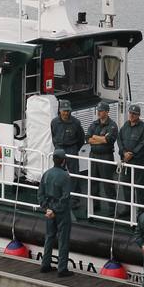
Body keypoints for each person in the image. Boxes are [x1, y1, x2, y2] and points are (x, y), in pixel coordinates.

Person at [38, 149, 74, 277]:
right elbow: (65, 197)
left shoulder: (46, 174)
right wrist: (55, 210)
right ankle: (62, 269)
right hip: (61, 212)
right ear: (64, 161)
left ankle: (45, 264)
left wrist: (47, 209)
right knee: (63, 240)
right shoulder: (65, 176)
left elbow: (40, 194)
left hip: (49, 211)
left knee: (49, 237)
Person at [85, 101, 119, 216]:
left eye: (101, 111)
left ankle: (112, 208)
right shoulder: (94, 124)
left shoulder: (112, 125)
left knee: (107, 183)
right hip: (93, 156)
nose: (99, 113)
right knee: (93, 181)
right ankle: (95, 205)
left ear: (107, 112)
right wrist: (99, 138)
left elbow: (108, 140)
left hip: (106, 156)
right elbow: (88, 139)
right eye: (98, 111)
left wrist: (96, 138)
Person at [50, 99, 86, 204]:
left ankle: (75, 198)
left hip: (71, 148)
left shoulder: (76, 123)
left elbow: (81, 138)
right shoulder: (54, 122)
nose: (66, 113)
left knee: (74, 174)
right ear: (60, 111)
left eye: (67, 111)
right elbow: (53, 136)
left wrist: (75, 149)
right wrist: (57, 147)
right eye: (64, 111)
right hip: (59, 148)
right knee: (57, 172)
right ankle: (58, 194)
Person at [118, 104, 144, 215]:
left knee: (139, 186)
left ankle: (141, 210)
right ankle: (128, 208)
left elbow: (143, 144)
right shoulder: (125, 126)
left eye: (134, 114)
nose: (131, 115)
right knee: (126, 185)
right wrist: (123, 152)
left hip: (137, 161)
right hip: (126, 161)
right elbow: (119, 140)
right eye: (130, 113)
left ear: (139, 115)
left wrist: (132, 154)